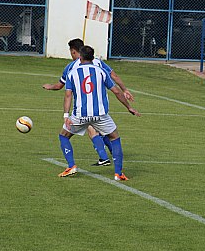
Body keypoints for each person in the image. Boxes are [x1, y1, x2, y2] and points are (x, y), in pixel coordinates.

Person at [43, 38, 134, 166]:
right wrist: (124, 89)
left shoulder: (71, 67)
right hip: (102, 104)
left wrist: (49, 86)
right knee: (103, 130)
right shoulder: (98, 63)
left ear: (75, 52)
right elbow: (114, 76)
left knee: (90, 127)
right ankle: (113, 156)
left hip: (83, 108)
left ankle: (103, 157)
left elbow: (60, 86)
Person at [58, 45, 140, 180]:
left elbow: (68, 96)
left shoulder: (72, 73)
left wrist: (66, 116)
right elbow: (116, 91)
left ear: (80, 57)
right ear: (93, 57)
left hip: (80, 115)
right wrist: (128, 107)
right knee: (114, 137)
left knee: (64, 136)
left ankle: (71, 165)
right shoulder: (101, 71)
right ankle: (118, 173)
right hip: (100, 115)